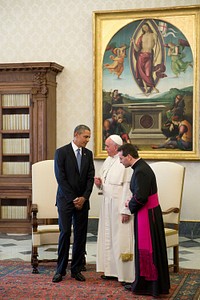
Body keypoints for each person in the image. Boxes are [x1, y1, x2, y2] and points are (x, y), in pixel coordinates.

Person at [118, 143, 170, 297]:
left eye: (121, 158)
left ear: (129, 156)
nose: (120, 161)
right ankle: (146, 283)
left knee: (148, 249)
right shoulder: (140, 168)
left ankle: (149, 286)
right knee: (149, 249)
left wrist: (130, 203)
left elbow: (141, 197)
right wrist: (133, 200)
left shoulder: (140, 171)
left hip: (147, 215)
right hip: (148, 213)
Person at [52, 125, 95, 283]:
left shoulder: (88, 154)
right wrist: (73, 199)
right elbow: (60, 178)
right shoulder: (61, 152)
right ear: (76, 135)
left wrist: (84, 197)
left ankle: (76, 269)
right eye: (86, 137)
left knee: (80, 236)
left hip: (83, 202)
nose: (87, 140)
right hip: (65, 201)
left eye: (89, 137)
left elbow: (90, 177)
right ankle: (60, 270)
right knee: (65, 234)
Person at [94, 135, 134, 284]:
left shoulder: (124, 161)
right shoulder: (108, 160)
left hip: (119, 204)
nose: (105, 149)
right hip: (107, 203)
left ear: (116, 147)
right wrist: (99, 184)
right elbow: (106, 183)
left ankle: (123, 274)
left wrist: (126, 210)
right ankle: (110, 270)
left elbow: (128, 188)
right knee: (107, 235)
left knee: (119, 237)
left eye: (107, 146)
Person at [132, 22, 160, 94]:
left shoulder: (154, 35)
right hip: (141, 56)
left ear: (149, 27)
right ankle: (146, 89)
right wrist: (133, 43)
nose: (145, 28)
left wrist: (156, 57)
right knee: (142, 73)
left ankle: (153, 87)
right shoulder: (142, 37)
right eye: (143, 28)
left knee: (148, 73)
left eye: (146, 27)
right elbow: (137, 49)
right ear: (142, 29)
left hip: (149, 55)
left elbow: (158, 47)